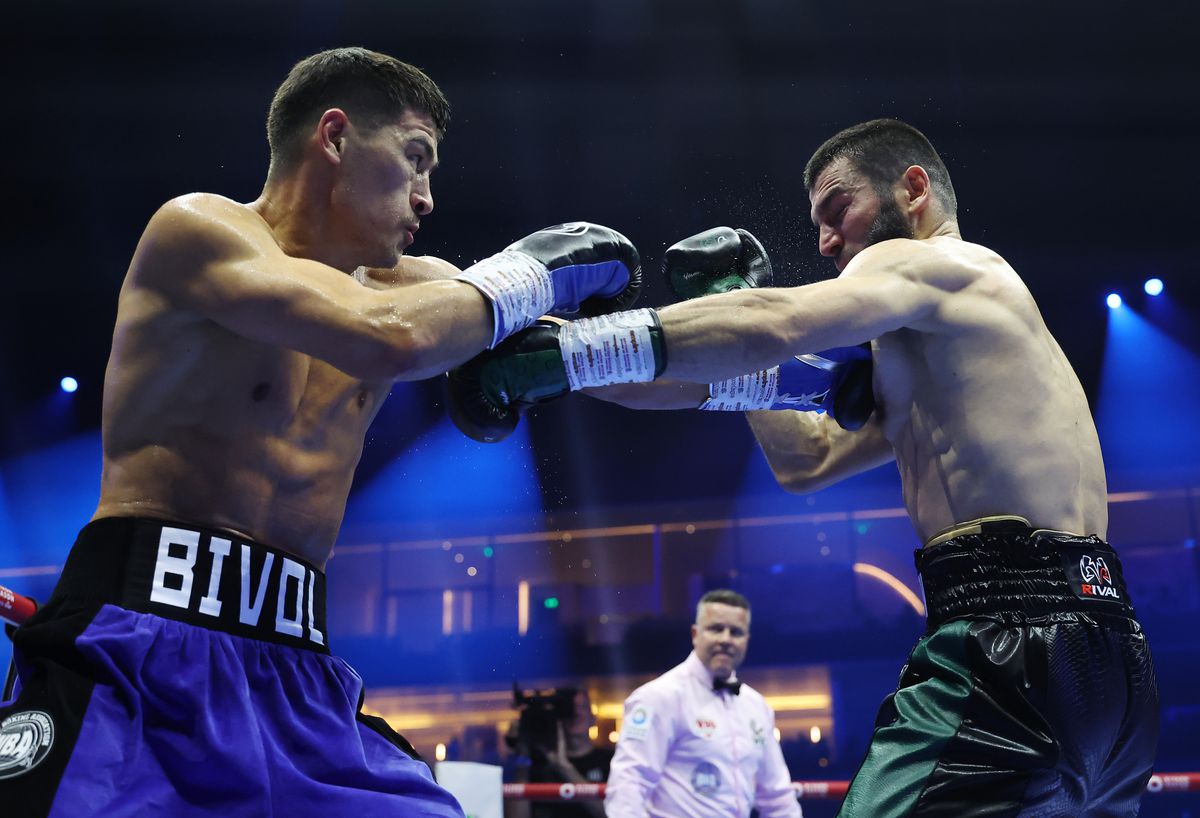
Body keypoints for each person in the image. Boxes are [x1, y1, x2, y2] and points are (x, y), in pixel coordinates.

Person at [0, 47, 642, 817]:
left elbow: (617, 364)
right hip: (138, 648)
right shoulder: (197, 230)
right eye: (415, 159)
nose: (428, 197)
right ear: (335, 137)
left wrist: (776, 364)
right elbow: (386, 338)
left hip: (297, 676)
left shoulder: (426, 292)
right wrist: (533, 270)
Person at [452, 118, 1159, 816]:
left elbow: (777, 323)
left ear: (913, 191)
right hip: (1109, 654)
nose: (825, 242)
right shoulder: (942, 358)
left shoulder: (948, 263)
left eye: (838, 208)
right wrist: (562, 360)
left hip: (1007, 637)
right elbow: (805, 459)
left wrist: (570, 351)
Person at [605, 590, 801, 818]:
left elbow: (776, 795)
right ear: (695, 634)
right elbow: (629, 782)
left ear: (746, 641)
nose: (726, 639)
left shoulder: (756, 706)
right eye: (716, 628)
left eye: (735, 632)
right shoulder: (659, 697)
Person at [507, 688, 612, 818]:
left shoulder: (611, 761)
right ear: (557, 716)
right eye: (569, 708)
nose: (576, 713)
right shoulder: (537, 766)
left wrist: (564, 768)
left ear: (593, 718)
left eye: (582, 707)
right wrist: (523, 756)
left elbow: (613, 813)